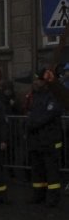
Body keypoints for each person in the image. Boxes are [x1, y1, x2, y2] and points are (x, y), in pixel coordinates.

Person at [25, 68, 64, 207]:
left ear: (44, 82)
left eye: (38, 80)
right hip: (36, 141)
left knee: (52, 172)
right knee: (38, 171)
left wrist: (32, 124)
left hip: (49, 141)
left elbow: (48, 115)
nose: (35, 82)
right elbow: (30, 113)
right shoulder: (34, 96)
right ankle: (38, 195)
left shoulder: (53, 96)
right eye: (35, 80)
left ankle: (53, 198)